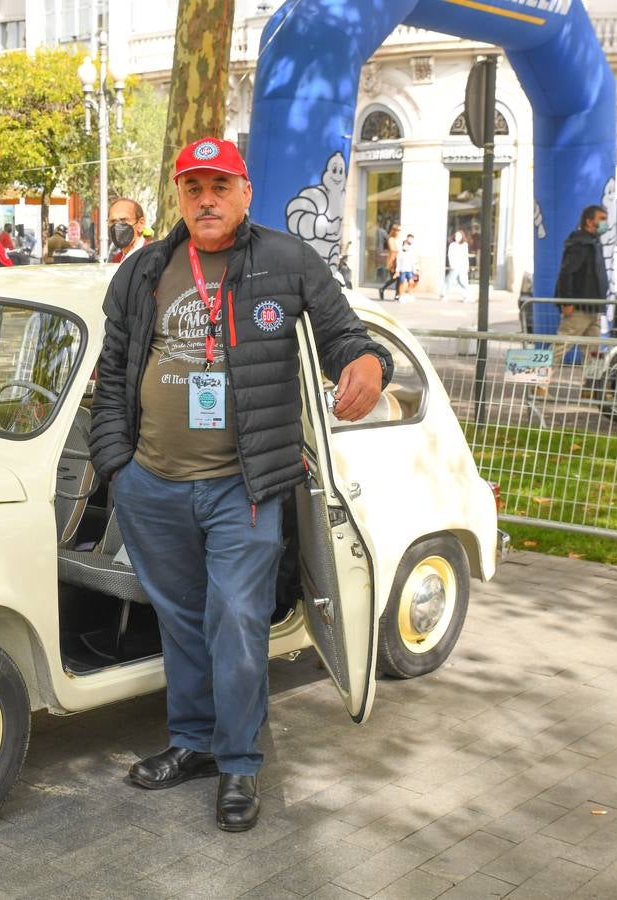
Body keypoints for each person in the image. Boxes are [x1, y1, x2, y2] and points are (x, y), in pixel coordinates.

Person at [90, 137, 390, 833]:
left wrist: (371, 365)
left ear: (245, 191)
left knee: (237, 620)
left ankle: (239, 763)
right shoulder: (143, 271)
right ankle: (193, 744)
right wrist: (118, 466)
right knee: (182, 622)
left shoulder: (287, 262)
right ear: (179, 197)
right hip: (153, 484)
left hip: (244, 485)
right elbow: (111, 375)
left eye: (219, 186)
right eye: (193, 188)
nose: (206, 200)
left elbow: (345, 335)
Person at [547, 204, 610, 397]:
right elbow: (567, 273)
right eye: (602, 218)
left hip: (593, 307)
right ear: (589, 221)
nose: (605, 223)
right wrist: (567, 302)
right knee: (561, 345)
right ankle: (539, 383)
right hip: (579, 307)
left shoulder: (593, 242)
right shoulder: (580, 244)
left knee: (594, 351)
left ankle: (590, 387)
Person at [108, 198, 149, 263]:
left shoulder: (152, 257)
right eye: (113, 221)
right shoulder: (116, 259)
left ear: (140, 224)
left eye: (124, 220)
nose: (117, 226)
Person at [442, 230, 471, 302]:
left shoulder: (465, 245)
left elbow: (465, 256)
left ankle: (466, 296)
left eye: (459, 236)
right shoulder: (452, 245)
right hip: (454, 266)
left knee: (463, 281)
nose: (457, 237)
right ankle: (444, 294)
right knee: (449, 281)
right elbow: (450, 255)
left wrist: (467, 266)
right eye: (456, 236)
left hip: (462, 266)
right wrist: (451, 264)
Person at [377, 223, 401, 301]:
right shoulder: (390, 239)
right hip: (393, 261)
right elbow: (393, 250)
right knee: (394, 278)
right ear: (394, 230)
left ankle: (397, 295)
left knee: (398, 278)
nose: (399, 232)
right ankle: (382, 289)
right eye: (398, 230)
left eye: (400, 230)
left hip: (398, 261)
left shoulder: (398, 239)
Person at [395, 233, 418, 301]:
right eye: (405, 244)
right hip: (402, 270)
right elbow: (398, 261)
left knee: (411, 282)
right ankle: (401, 296)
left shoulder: (411, 251)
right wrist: (397, 271)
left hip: (410, 270)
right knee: (401, 283)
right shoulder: (401, 252)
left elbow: (413, 261)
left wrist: (415, 270)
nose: (406, 246)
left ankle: (408, 294)